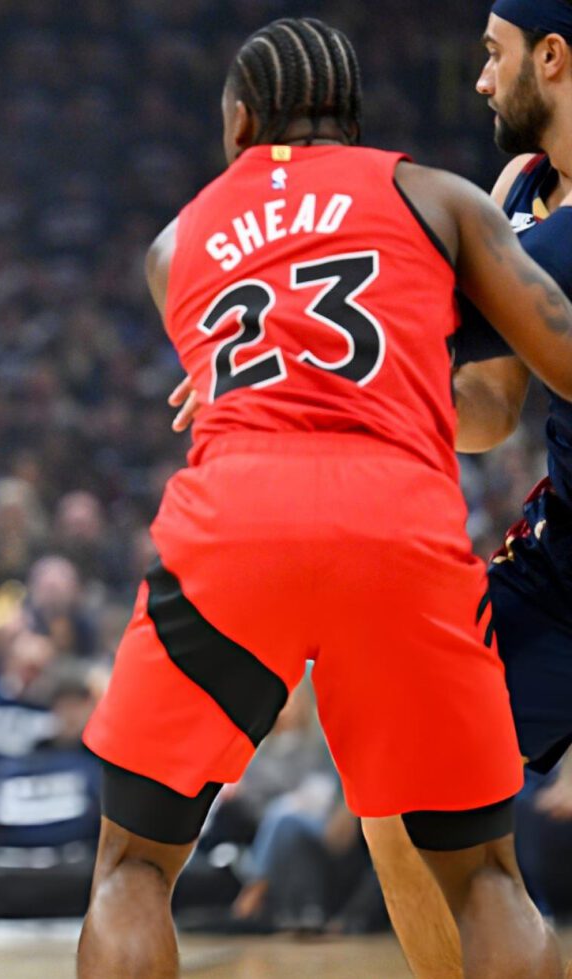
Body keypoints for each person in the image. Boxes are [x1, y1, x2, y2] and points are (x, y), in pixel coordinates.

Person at [77, 16, 572, 977]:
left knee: (132, 865)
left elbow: (266, 354)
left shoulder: (173, 243)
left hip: (232, 526)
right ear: (353, 121)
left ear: (235, 125)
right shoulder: (438, 195)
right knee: (484, 874)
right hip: (396, 524)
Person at [317, 2, 572, 974]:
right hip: (560, 567)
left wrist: (333, 351)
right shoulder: (517, 189)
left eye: (492, 58)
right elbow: (490, 411)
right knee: (397, 772)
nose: (477, 82)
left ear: (550, 59)